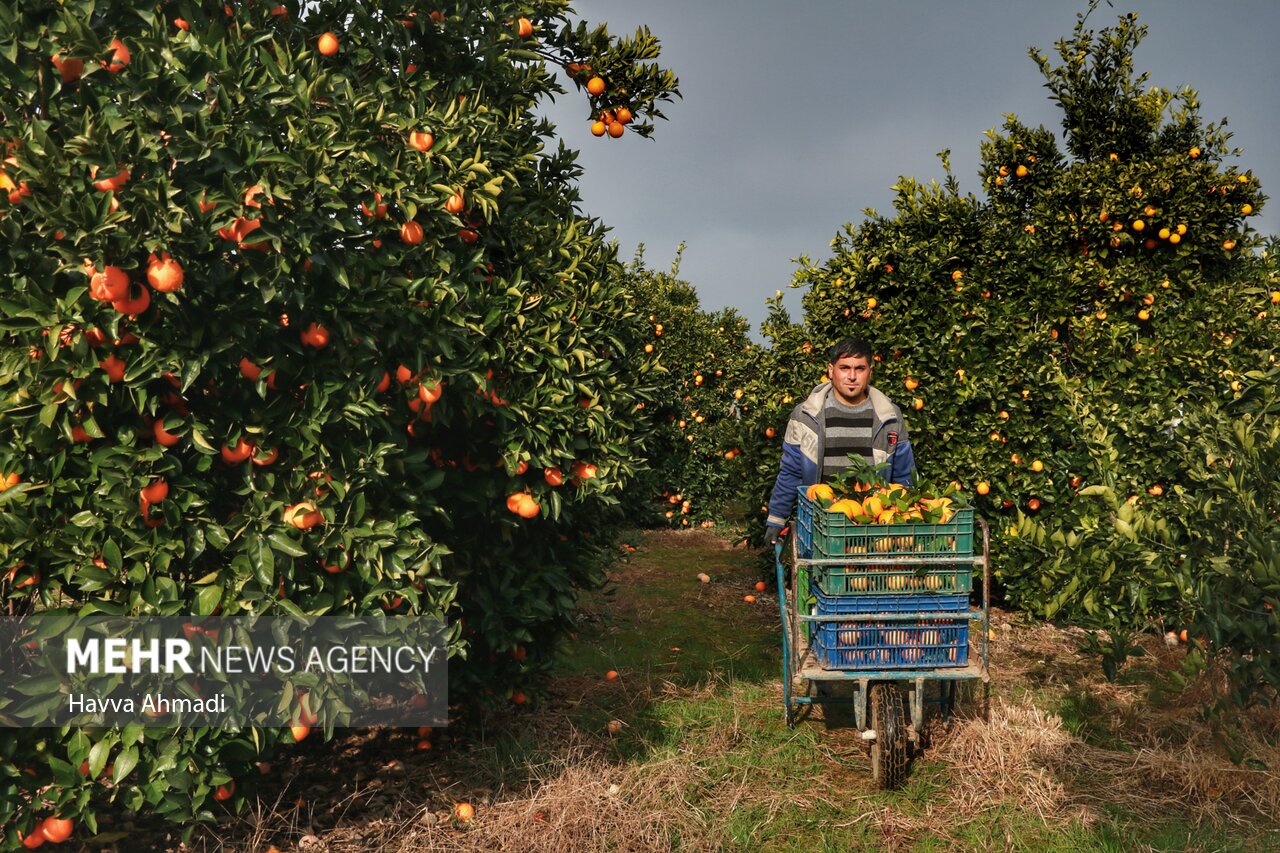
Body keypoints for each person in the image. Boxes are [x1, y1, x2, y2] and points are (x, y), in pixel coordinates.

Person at [763, 337, 915, 545]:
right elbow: (791, 472)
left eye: (859, 369)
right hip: (821, 525)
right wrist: (776, 519)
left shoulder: (889, 416)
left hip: (876, 526)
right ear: (831, 370)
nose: (852, 376)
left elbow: (903, 475)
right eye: (844, 368)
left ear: (870, 370)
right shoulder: (806, 416)